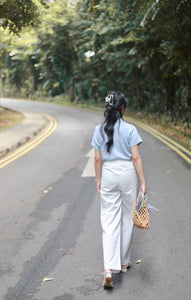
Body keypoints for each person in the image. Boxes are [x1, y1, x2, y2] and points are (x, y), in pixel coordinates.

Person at [91, 91, 146, 289]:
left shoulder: (99, 130)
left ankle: (108, 268)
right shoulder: (130, 129)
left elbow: (97, 159)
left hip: (109, 173)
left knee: (109, 221)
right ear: (122, 108)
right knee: (126, 218)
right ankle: (123, 263)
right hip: (127, 173)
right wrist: (143, 182)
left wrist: (98, 179)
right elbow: (136, 158)